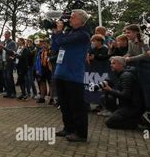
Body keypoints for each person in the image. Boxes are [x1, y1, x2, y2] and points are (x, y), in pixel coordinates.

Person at [54, 10, 91, 142]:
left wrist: (59, 31)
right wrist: (57, 32)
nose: (69, 19)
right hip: (61, 73)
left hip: (73, 75)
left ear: (81, 20)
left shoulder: (83, 35)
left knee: (77, 105)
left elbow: (61, 42)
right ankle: (68, 128)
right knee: (64, 104)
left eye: (73, 17)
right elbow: (55, 45)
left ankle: (81, 133)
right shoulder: (69, 32)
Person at [100, 56, 144, 129]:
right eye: (111, 63)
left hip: (133, 106)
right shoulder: (117, 73)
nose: (111, 65)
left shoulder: (126, 76)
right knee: (105, 98)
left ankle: (135, 122)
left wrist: (110, 90)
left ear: (121, 65)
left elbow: (125, 95)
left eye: (114, 63)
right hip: (125, 104)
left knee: (109, 123)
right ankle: (123, 116)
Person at [1, 31, 17, 98]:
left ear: (10, 35)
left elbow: (12, 52)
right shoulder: (5, 42)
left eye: (7, 34)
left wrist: (4, 48)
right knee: (5, 78)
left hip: (9, 62)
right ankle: (8, 92)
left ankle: (13, 93)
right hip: (4, 61)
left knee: (9, 77)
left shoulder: (12, 42)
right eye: (5, 34)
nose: (5, 36)